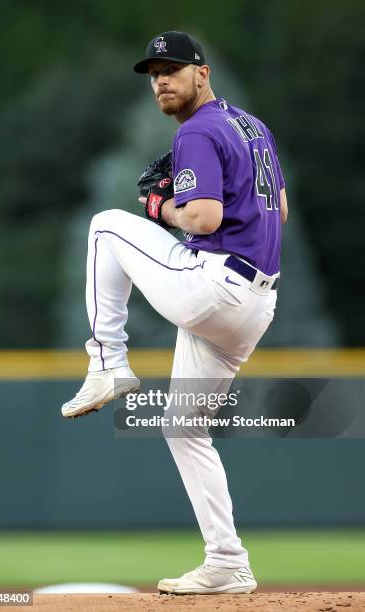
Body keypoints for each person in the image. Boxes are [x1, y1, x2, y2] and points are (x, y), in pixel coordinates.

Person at [61, 30, 287, 595]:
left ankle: (107, 360)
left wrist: (163, 207)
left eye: (172, 68)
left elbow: (205, 220)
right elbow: (277, 209)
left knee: (107, 225)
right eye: (153, 72)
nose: (161, 79)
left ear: (201, 73)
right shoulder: (252, 127)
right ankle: (227, 562)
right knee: (184, 428)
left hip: (216, 287)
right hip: (257, 303)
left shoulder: (199, 130)